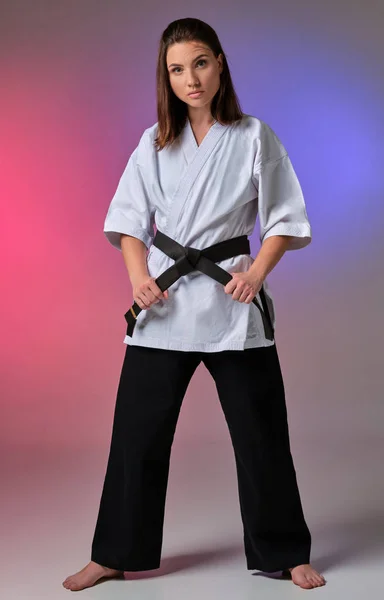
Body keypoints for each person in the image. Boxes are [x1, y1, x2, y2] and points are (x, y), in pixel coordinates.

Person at [63, 17, 326, 592]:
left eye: (200, 63)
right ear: (167, 76)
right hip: (165, 304)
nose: (191, 78)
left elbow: (283, 217)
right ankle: (114, 552)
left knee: (261, 435)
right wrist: (139, 280)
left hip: (233, 300)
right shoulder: (153, 142)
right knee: (137, 435)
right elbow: (130, 222)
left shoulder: (254, 135)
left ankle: (284, 551)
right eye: (177, 69)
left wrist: (256, 274)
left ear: (220, 63)